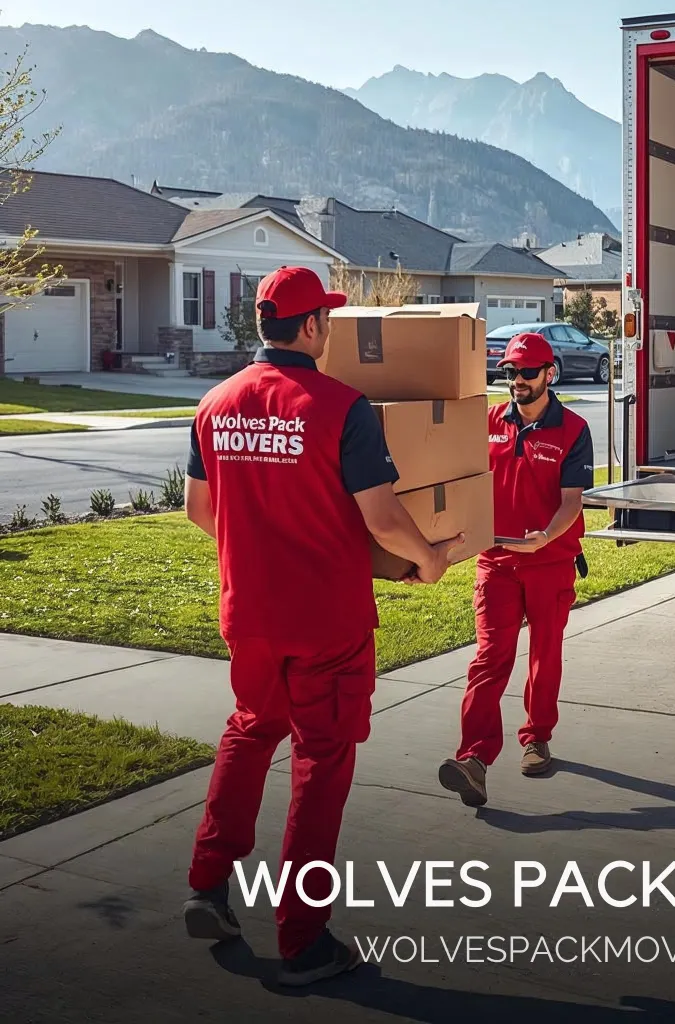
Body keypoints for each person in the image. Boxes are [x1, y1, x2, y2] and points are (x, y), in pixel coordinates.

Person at [181, 266, 462, 986]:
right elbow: (383, 517)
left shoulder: (215, 404)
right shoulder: (341, 406)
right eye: (326, 320)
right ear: (310, 329)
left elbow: (199, 511)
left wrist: (262, 543)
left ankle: (208, 882)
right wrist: (428, 559)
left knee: (251, 729)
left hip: (249, 614)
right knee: (320, 761)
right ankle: (303, 941)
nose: (330, 331)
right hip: (325, 623)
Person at [437, 330, 594, 806]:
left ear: (550, 373)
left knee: (544, 654)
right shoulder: (487, 422)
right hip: (496, 562)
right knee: (489, 658)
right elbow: (460, 484)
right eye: (510, 372)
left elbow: (571, 502)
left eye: (527, 372)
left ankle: (537, 738)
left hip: (549, 560)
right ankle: (473, 759)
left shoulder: (573, 430)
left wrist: (546, 535)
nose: (517, 380)